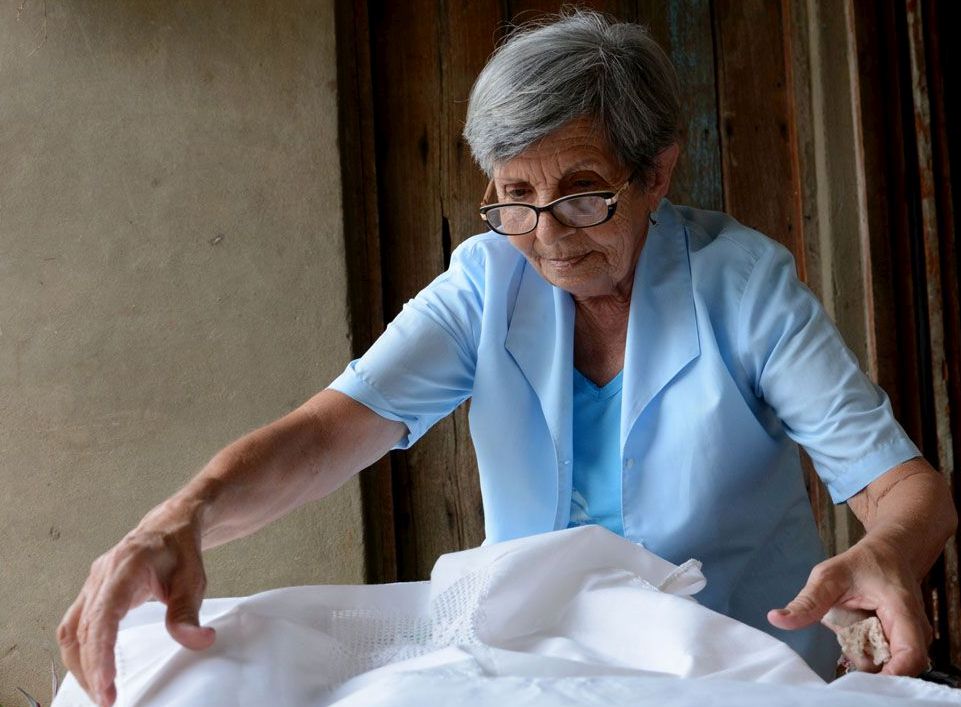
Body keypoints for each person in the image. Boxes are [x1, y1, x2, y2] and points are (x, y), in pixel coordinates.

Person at [58, 10, 956, 706]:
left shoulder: (743, 286)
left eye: (583, 195)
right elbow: (323, 436)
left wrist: (886, 550)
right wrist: (182, 516)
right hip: (538, 659)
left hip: (719, 661)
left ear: (657, 173)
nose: (545, 234)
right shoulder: (486, 281)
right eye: (514, 197)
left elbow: (904, 487)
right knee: (195, 673)